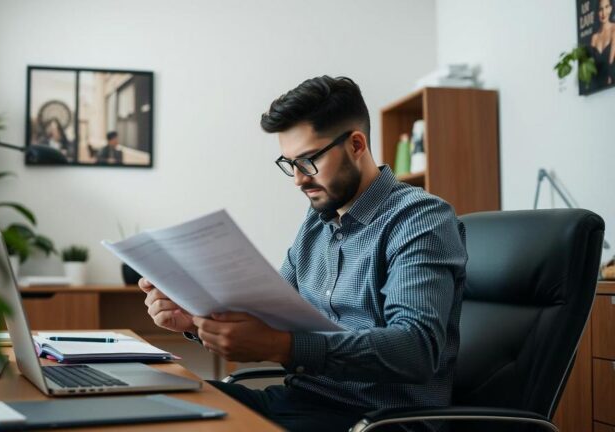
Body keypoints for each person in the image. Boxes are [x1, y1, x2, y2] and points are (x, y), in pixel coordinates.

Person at [139, 76, 467, 432]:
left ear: (357, 144)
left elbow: (415, 348)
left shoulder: (421, 219)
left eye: (308, 161)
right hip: (301, 403)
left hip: (379, 422)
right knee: (162, 403)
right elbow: (270, 313)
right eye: (290, 163)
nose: (298, 179)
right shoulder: (317, 221)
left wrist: (283, 347)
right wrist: (195, 316)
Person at [590, 0, 615, 86]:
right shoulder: (594, 38)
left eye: (606, 7)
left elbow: (611, 62)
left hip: (611, 80)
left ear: (611, 9)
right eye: (600, 9)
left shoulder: (614, 29)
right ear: (597, 12)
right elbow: (591, 66)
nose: (603, 13)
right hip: (597, 84)